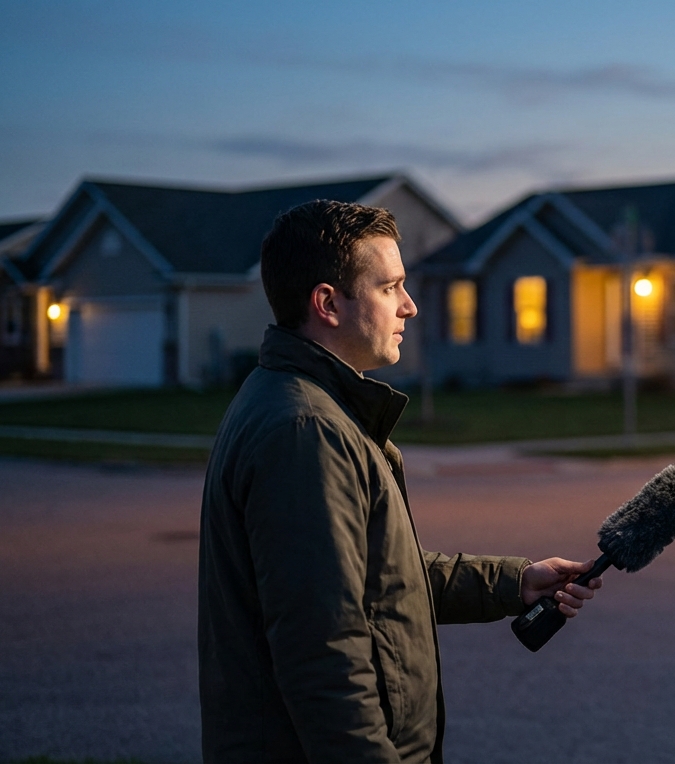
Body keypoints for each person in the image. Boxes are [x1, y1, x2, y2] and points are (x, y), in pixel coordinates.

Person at [198, 199, 602, 763]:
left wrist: (515, 583)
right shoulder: (306, 432)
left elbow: (378, 585)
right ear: (328, 303)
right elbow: (323, 651)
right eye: (390, 288)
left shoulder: (313, 410)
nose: (409, 307)